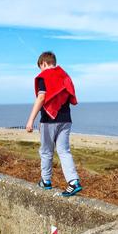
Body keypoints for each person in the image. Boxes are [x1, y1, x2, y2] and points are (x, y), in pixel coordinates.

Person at [25, 51, 82, 197]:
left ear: (43, 64)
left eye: (40, 67)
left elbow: (41, 97)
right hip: (66, 119)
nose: (41, 71)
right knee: (64, 151)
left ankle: (46, 181)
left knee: (46, 151)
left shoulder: (45, 76)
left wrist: (31, 119)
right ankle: (73, 181)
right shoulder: (64, 76)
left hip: (49, 121)